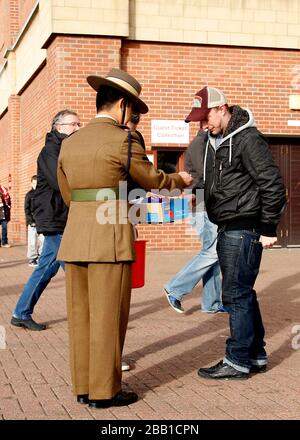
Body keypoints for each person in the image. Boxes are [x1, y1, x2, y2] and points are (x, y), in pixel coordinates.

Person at [57, 68, 193, 408]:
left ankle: (84, 386)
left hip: (76, 238)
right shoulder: (123, 139)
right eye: (132, 111)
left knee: (81, 317)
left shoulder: (70, 141)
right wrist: (181, 179)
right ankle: (105, 391)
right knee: (107, 317)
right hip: (110, 239)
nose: (131, 117)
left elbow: (67, 194)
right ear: (121, 105)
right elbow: (150, 179)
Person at [185, 86, 286, 380]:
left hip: (244, 227)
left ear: (222, 108)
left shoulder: (247, 139)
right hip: (228, 225)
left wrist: (268, 228)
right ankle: (254, 354)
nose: (203, 125)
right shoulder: (215, 141)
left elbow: (273, 185)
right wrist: (199, 199)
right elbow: (218, 182)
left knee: (234, 295)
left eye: (206, 118)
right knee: (244, 292)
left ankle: (237, 360)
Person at [11, 109, 81, 331]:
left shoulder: (66, 149)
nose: (78, 128)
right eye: (74, 124)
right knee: (69, 268)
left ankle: (21, 312)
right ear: (59, 127)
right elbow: (59, 181)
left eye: (79, 124)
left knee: (54, 267)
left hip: (62, 217)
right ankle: (21, 312)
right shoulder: (50, 151)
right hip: (54, 217)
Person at [164, 132, 225, 314]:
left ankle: (211, 303)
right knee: (213, 252)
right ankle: (174, 288)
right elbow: (206, 177)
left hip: (205, 206)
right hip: (202, 206)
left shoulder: (208, 142)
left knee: (212, 255)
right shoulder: (202, 143)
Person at [24, 175, 44, 266]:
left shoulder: (42, 194)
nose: (36, 185)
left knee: (43, 240)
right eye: (34, 183)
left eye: (37, 183)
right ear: (31, 183)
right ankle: (32, 258)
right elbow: (26, 209)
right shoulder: (29, 195)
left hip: (41, 221)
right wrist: (30, 221)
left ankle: (41, 256)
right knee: (32, 241)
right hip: (32, 222)